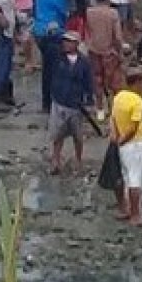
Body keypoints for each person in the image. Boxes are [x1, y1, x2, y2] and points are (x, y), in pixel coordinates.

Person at [48, 32, 94, 175]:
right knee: (57, 134)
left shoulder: (84, 62)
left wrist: (89, 100)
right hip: (59, 101)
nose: (66, 44)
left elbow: (88, 82)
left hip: (76, 104)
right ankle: (55, 161)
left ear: (77, 44)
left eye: (70, 41)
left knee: (77, 135)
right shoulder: (57, 57)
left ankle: (78, 160)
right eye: (65, 41)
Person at [110, 69, 142, 225]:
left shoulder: (119, 97)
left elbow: (112, 119)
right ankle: (135, 214)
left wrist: (116, 139)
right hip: (134, 143)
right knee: (134, 179)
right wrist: (124, 140)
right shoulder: (137, 102)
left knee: (122, 176)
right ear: (137, 83)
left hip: (119, 141)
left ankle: (123, 208)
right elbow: (133, 127)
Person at [33, 0, 69, 113]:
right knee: (54, 70)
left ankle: (46, 102)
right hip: (54, 34)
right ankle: (52, 102)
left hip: (39, 31)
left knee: (47, 69)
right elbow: (64, 12)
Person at [85, 0, 126, 119]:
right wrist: (120, 52)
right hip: (110, 52)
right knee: (115, 83)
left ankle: (100, 110)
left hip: (94, 50)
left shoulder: (89, 12)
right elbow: (118, 36)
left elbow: (87, 32)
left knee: (97, 81)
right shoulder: (113, 13)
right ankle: (115, 109)